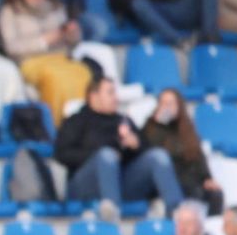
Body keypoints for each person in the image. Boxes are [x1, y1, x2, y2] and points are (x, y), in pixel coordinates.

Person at [55, 77, 185, 217]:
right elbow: (61, 153)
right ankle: (111, 213)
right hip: (85, 186)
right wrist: (99, 156)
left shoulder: (123, 121)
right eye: (110, 93)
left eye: (115, 93)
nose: (115, 98)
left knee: (158, 156)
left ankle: (177, 211)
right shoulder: (76, 121)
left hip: (121, 183)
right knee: (107, 155)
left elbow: (146, 152)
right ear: (94, 96)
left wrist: (136, 145)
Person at [0, 0, 92, 124]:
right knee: (56, 78)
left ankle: (84, 124)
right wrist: (43, 41)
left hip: (61, 57)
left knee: (84, 73)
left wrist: (72, 33)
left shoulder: (56, 7)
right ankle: (56, 125)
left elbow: (73, 42)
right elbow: (10, 46)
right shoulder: (10, 11)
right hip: (31, 61)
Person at [140, 88, 222, 214]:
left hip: (191, 181)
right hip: (168, 182)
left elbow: (198, 156)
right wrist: (160, 124)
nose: (166, 107)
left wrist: (207, 178)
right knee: (193, 190)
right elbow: (149, 152)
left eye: (170, 103)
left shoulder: (187, 129)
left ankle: (210, 228)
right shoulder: (151, 127)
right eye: (163, 103)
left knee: (215, 194)